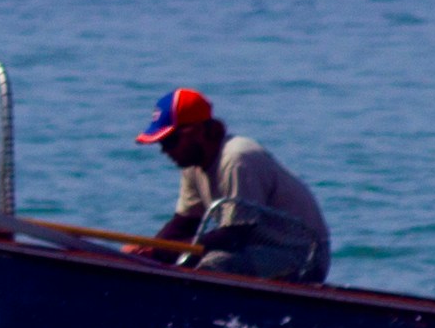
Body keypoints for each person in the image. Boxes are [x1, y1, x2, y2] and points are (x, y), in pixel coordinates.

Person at [138, 88, 331, 281]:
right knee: (179, 257)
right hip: (255, 248)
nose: (164, 151)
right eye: (161, 143)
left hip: (304, 256)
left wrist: (171, 251)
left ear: (196, 132)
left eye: (170, 141)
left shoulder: (237, 158)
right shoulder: (192, 166)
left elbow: (235, 235)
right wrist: (149, 250)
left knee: (216, 263)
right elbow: (184, 222)